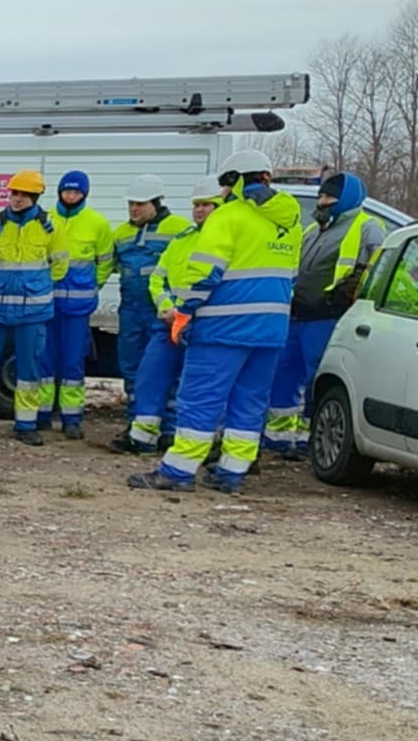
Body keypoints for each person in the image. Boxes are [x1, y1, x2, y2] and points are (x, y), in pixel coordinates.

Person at [128, 149, 301, 494]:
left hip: (223, 328)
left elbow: (204, 273)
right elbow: (293, 276)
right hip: (271, 329)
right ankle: (232, 472)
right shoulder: (291, 223)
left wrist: (184, 312)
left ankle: (178, 470)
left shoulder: (227, 217)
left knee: (201, 398)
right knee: (249, 402)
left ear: (234, 182)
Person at [263, 172, 387, 458]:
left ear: (346, 200)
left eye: (329, 197)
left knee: (315, 378)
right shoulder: (312, 230)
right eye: (321, 196)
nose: (322, 202)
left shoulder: (368, 227)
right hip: (298, 314)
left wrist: (340, 296)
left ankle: (309, 438)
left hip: (329, 316)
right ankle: (278, 437)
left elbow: (373, 271)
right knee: (284, 374)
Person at [116, 175, 225, 456]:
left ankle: (173, 433)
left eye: (206, 205)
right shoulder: (182, 239)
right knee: (145, 374)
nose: (199, 210)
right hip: (160, 318)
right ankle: (141, 433)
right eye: (196, 205)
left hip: (199, 322)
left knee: (186, 381)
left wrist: (184, 311)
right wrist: (167, 307)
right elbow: (158, 277)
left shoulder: (217, 239)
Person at [0, 169, 55, 444]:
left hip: (32, 313)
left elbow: (60, 264)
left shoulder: (49, 226)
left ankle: (26, 426)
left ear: (35, 197)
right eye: (14, 193)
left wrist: (37, 287)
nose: (17, 198)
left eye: (23, 194)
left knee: (28, 372)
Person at [109, 175, 190, 430]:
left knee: (167, 370)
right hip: (130, 311)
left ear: (156, 203)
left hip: (163, 313)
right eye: (131, 204)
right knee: (131, 369)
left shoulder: (180, 229)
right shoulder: (121, 234)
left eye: (140, 204)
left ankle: (169, 427)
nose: (134, 209)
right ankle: (137, 424)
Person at [44, 170, 116, 438]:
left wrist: (93, 286)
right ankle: (40, 415)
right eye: (67, 191)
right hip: (46, 305)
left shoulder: (97, 223)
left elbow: (106, 261)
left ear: (84, 194)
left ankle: (71, 419)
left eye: (76, 192)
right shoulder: (46, 220)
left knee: (73, 365)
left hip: (77, 309)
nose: (71, 196)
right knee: (44, 363)